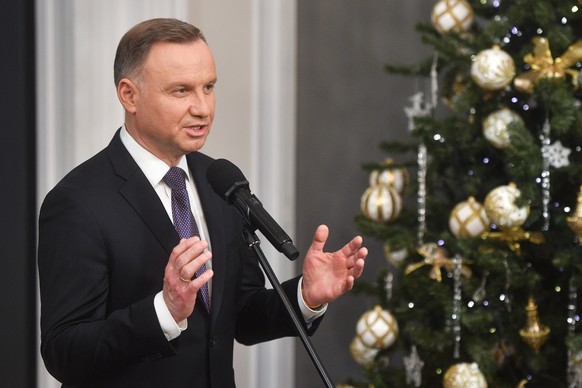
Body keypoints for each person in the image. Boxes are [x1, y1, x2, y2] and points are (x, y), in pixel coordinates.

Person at [38, 18, 368, 388]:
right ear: (129, 95)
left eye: (208, 87)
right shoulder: (77, 203)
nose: (203, 108)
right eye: (181, 91)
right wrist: (164, 311)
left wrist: (305, 296)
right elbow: (63, 352)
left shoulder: (219, 182)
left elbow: (240, 314)